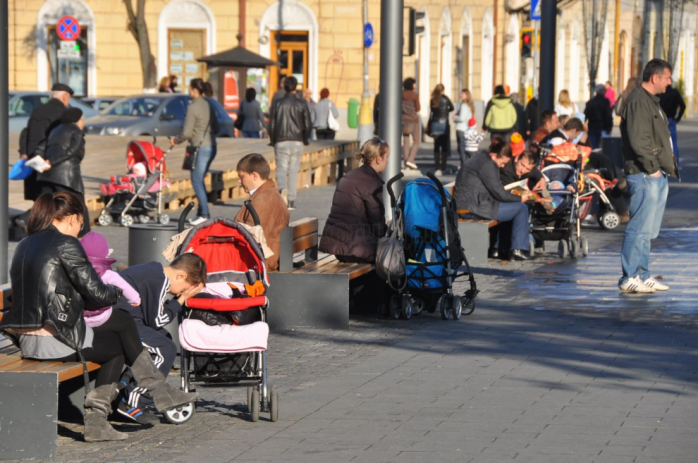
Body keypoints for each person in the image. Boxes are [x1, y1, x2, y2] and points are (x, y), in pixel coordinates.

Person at [0, 192, 198, 441]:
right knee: (119, 342)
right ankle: (109, 416)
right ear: (72, 219)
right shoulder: (65, 243)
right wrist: (119, 291)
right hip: (52, 339)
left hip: (28, 337)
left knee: (122, 329)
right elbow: (97, 294)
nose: (80, 232)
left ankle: (154, 395)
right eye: (81, 224)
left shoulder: (25, 243)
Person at [116, 253, 207, 421]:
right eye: (182, 288)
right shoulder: (159, 280)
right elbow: (157, 320)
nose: (179, 293)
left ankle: (124, 385)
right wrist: (180, 301)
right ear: (181, 276)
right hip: (121, 322)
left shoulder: (154, 271)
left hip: (126, 319)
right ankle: (133, 401)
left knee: (163, 338)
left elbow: (152, 321)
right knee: (165, 349)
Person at [618, 59, 678, 293]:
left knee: (647, 230)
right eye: (667, 78)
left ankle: (642, 274)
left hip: (655, 173)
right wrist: (652, 168)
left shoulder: (650, 102)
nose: (669, 83)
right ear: (655, 78)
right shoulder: (638, 102)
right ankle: (629, 277)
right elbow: (638, 140)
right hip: (643, 174)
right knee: (638, 227)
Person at [453, 138, 532, 261]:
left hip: (471, 203)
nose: (502, 165)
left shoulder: (481, 158)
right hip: (475, 207)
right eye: (502, 162)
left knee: (510, 206)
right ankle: (519, 249)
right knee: (521, 208)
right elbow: (499, 193)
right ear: (495, 155)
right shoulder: (488, 165)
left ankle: (498, 249)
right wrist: (520, 198)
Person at [319, 137, 389, 262]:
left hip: (337, 246)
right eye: (386, 157)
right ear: (378, 159)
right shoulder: (372, 183)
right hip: (356, 249)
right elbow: (377, 225)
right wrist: (389, 232)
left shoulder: (348, 175)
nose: (387, 161)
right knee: (394, 256)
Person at [170, 78, 219, 224]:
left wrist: (175, 140)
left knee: (196, 180)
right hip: (212, 146)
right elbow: (217, 128)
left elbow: (186, 132)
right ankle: (200, 212)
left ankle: (204, 214)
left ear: (193, 89)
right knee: (199, 178)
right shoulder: (209, 104)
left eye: (189, 89)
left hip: (200, 148)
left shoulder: (192, 106)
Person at [36, 107, 90, 237]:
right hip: (67, 177)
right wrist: (52, 162)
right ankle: (85, 234)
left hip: (46, 174)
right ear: (78, 119)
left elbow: (40, 148)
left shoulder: (54, 130)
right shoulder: (75, 131)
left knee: (47, 203)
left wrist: (42, 162)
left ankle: (39, 228)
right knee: (78, 204)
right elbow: (73, 152)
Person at [20, 83, 72, 212]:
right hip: (49, 161)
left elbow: (26, 132)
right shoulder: (63, 113)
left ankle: (33, 221)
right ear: (65, 97)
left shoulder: (37, 110)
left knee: (39, 197)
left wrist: (24, 152)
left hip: (33, 158)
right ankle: (29, 220)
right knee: (51, 198)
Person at [234, 153, 290, 271]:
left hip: (262, 262)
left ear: (254, 175)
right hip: (271, 257)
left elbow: (250, 238)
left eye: (242, 176)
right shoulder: (269, 194)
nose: (239, 181)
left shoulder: (262, 202)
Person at [269, 75, 312, 211]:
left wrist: (273, 140)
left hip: (281, 140)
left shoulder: (277, 103)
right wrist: (304, 139)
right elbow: (308, 124)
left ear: (284, 86)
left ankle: (283, 193)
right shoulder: (301, 103)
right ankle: (292, 200)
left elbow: (272, 124)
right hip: (297, 140)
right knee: (293, 171)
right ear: (296, 87)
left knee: (281, 169)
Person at [428, 84, 454, 175]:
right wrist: (446, 111)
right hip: (444, 124)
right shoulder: (446, 99)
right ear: (442, 90)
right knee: (444, 146)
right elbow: (452, 107)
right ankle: (443, 165)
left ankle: (437, 166)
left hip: (435, 124)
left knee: (436, 146)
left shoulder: (433, 100)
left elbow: (432, 110)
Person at [659, 84, 686, 165]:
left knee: (660, 142)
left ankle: (662, 164)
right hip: (671, 119)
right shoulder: (675, 92)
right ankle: (675, 164)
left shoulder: (660, 92)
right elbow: (683, 105)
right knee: (673, 143)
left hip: (660, 120)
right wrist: (678, 118)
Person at [584, 84, 613, 149]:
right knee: (604, 147)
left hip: (592, 127)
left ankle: (595, 158)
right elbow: (608, 115)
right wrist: (609, 127)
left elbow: (585, 115)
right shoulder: (605, 102)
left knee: (594, 147)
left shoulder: (590, 102)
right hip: (603, 127)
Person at [401, 78, 421, 170]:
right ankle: (410, 159)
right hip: (414, 120)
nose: (415, 85)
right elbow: (418, 108)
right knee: (416, 141)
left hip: (404, 120)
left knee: (406, 141)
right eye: (414, 84)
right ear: (411, 85)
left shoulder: (401, 94)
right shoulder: (414, 95)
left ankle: (406, 162)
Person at [454, 89, 475, 166]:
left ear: (467, 95)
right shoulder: (470, 106)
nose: (460, 95)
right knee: (465, 149)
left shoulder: (464, 105)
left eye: (462, 94)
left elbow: (461, 118)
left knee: (461, 150)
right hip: (467, 129)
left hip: (461, 129)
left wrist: (455, 117)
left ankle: (464, 166)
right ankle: (465, 165)